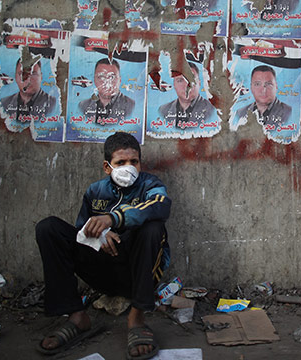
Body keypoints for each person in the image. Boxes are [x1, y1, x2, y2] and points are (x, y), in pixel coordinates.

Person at [35, 132, 170, 358]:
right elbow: (82, 232)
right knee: (48, 228)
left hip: (136, 273)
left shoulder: (150, 185)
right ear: (107, 167)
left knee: (153, 227)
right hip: (101, 269)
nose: (129, 167)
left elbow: (160, 206)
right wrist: (99, 236)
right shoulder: (95, 191)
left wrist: (113, 218)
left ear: (140, 163)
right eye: (121, 162)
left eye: (133, 162)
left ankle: (136, 318)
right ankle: (77, 316)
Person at [157, 63, 216, 128]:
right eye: (180, 80)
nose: (186, 86)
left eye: (191, 79)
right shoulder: (162, 111)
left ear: (199, 83)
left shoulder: (213, 111)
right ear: (174, 85)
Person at [79, 58, 135, 124]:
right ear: (94, 80)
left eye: (112, 77)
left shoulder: (132, 106)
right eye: (101, 77)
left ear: (119, 80)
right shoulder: (83, 106)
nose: (106, 82)